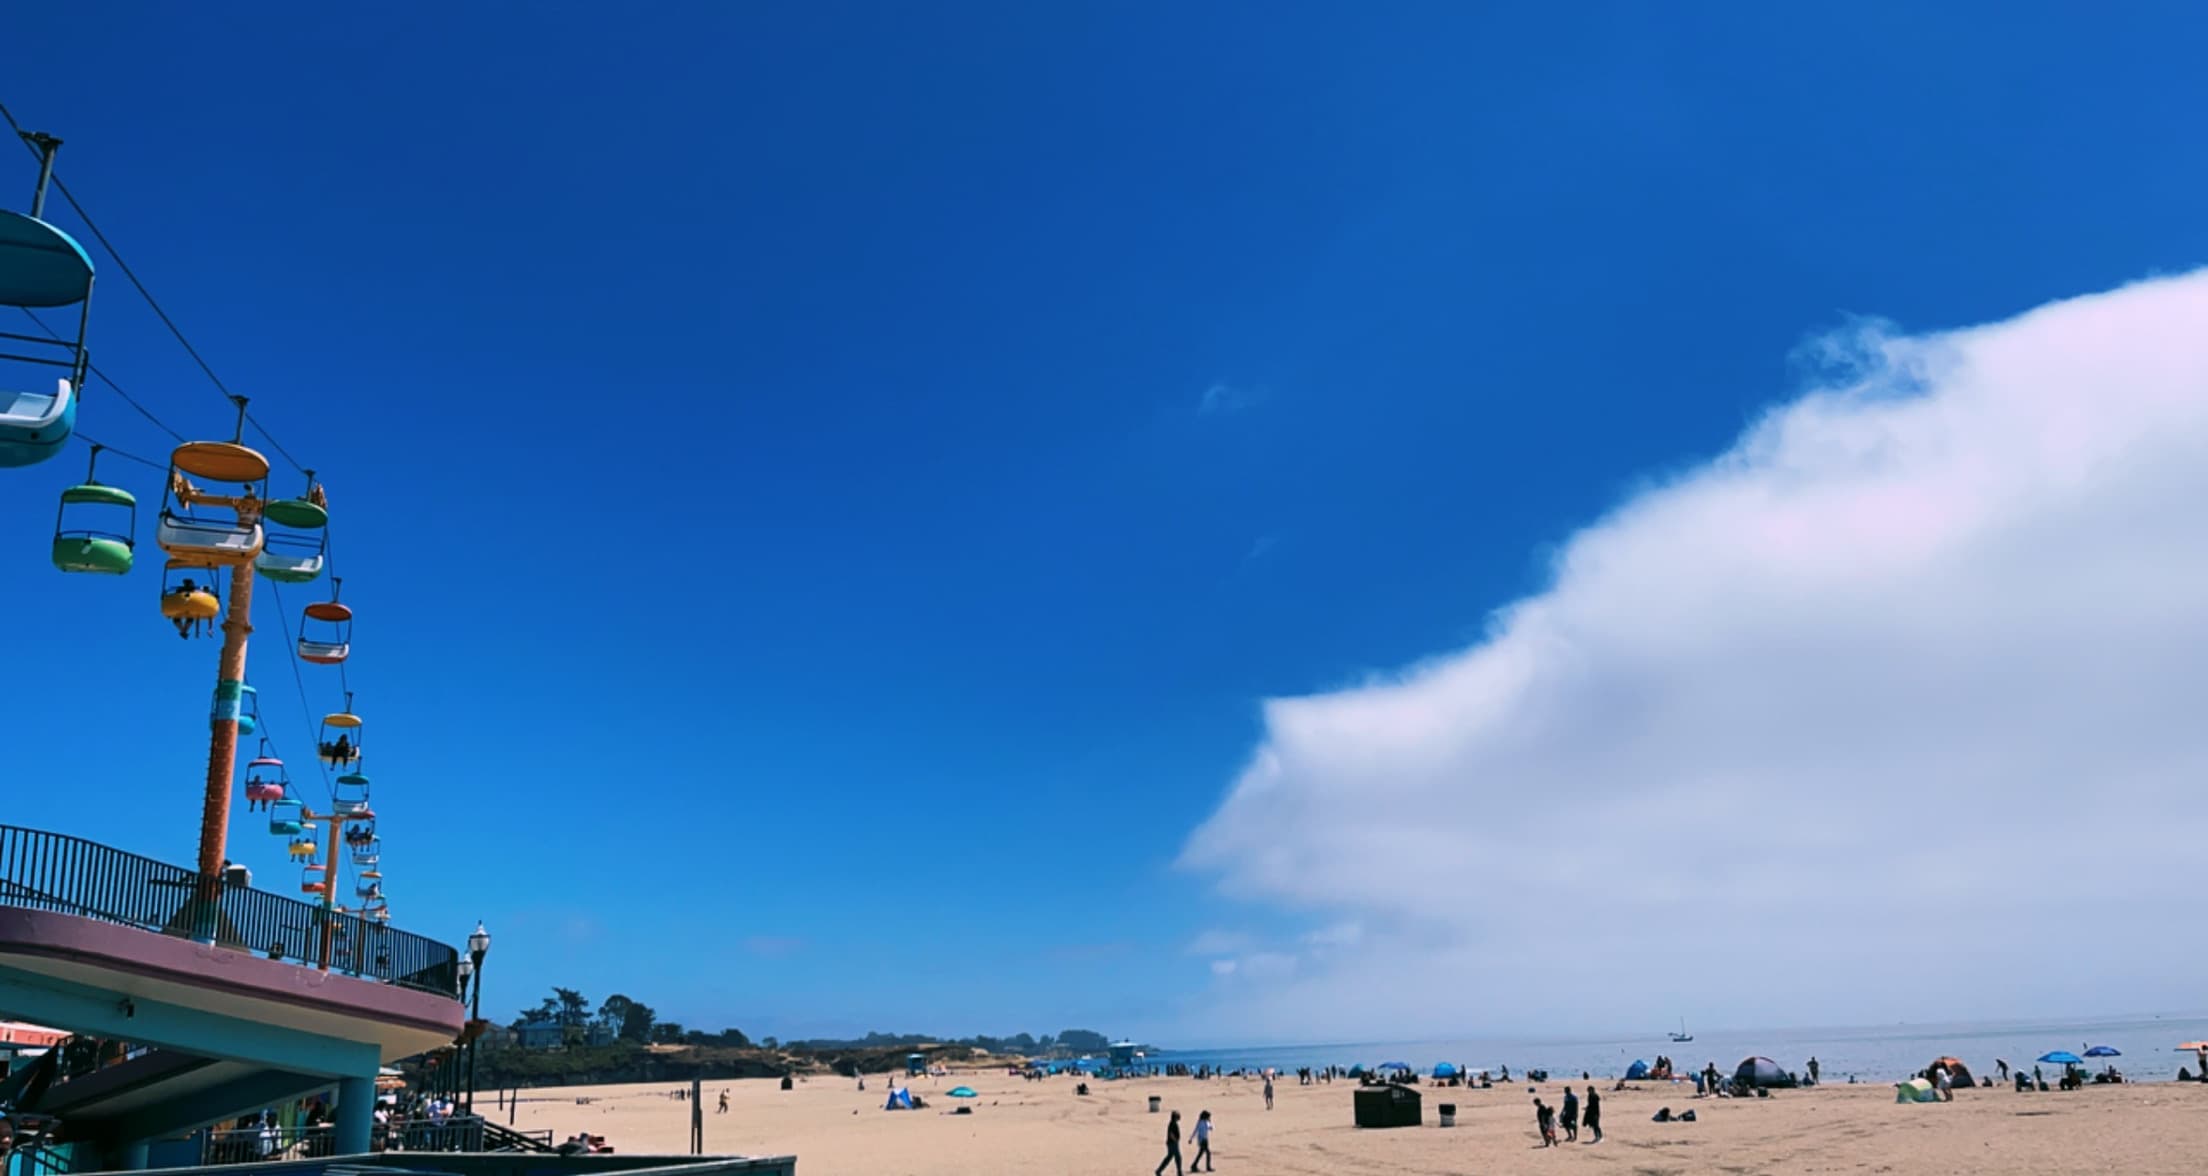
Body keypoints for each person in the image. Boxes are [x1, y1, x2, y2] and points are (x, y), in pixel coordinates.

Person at [1155, 1110, 1183, 1176]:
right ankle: (1179, 1172)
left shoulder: (1173, 1123)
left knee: (1169, 1157)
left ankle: (1159, 1170)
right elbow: (1171, 1133)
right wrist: (1175, 1140)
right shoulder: (1173, 1123)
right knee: (1178, 1157)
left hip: (1171, 1143)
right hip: (1173, 1143)